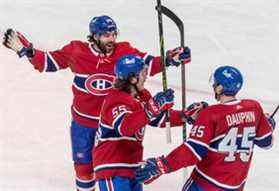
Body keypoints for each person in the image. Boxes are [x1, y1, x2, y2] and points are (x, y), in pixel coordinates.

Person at [2, 15, 191, 191]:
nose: (111, 39)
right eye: (106, 35)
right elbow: (49, 62)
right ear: (94, 36)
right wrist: (27, 51)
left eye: (113, 34)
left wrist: (169, 59)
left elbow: (145, 65)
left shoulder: (124, 51)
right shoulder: (77, 51)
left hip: (113, 127)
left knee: (113, 168)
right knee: (84, 172)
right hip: (84, 124)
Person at [135, 65, 276, 191]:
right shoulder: (254, 108)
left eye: (215, 84)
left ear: (220, 88)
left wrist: (162, 165)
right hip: (235, 186)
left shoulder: (211, 114)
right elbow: (266, 142)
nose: (214, 86)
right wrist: (268, 125)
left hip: (205, 184)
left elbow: (192, 151)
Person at [93, 54, 206, 191]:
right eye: (143, 73)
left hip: (132, 167)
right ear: (133, 78)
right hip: (112, 167)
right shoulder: (115, 98)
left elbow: (157, 118)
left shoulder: (141, 96)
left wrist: (185, 116)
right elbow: (125, 127)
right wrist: (153, 107)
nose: (146, 76)